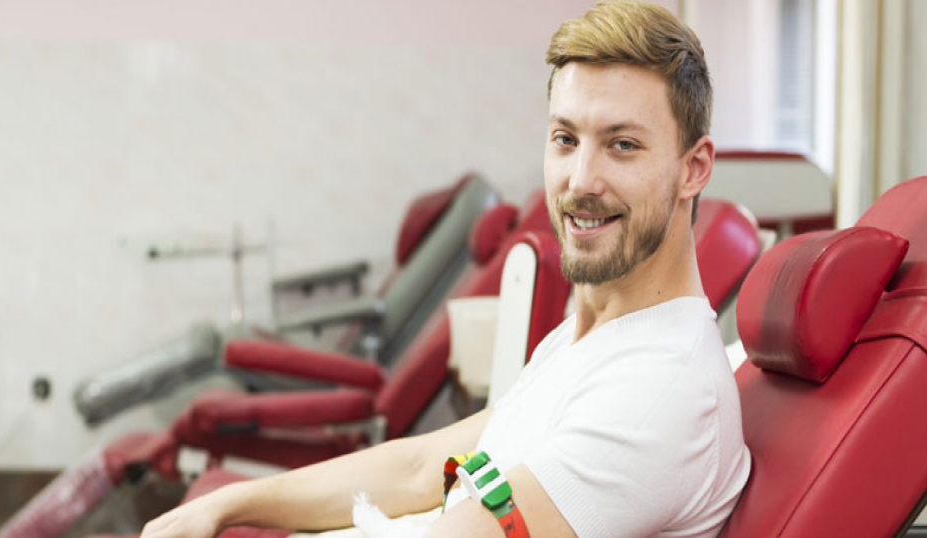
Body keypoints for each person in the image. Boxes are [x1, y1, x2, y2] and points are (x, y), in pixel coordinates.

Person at [140, 3, 750, 537]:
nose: (581, 181)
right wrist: (227, 505)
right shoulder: (595, 337)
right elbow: (420, 466)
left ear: (694, 168)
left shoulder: (658, 392)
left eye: (622, 145)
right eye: (566, 139)